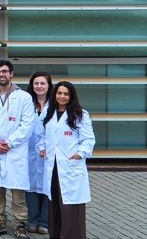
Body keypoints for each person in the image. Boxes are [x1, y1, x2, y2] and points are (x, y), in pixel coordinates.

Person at [0, 60, 36, 239]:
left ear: (11, 74)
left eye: (4, 71)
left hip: (15, 151)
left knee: (18, 193)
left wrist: (9, 143)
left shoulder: (24, 97)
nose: (1, 75)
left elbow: (27, 125)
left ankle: (20, 225)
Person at [39, 81, 94, 239]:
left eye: (66, 94)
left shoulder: (80, 114)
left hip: (70, 165)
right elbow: (40, 134)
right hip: (53, 165)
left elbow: (88, 139)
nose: (62, 97)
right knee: (54, 203)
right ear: (54, 94)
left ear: (71, 96)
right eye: (59, 93)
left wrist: (80, 154)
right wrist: (41, 148)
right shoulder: (48, 112)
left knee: (71, 206)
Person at [26, 72, 53, 235]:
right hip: (29, 151)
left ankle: (44, 222)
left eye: (43, 83)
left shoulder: (54, 105)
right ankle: (32, 220)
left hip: (48, 153)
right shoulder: (27, 103)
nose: (39, 86)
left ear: (49, 86)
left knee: (47, 186)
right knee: (30, 187)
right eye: (36, 83)